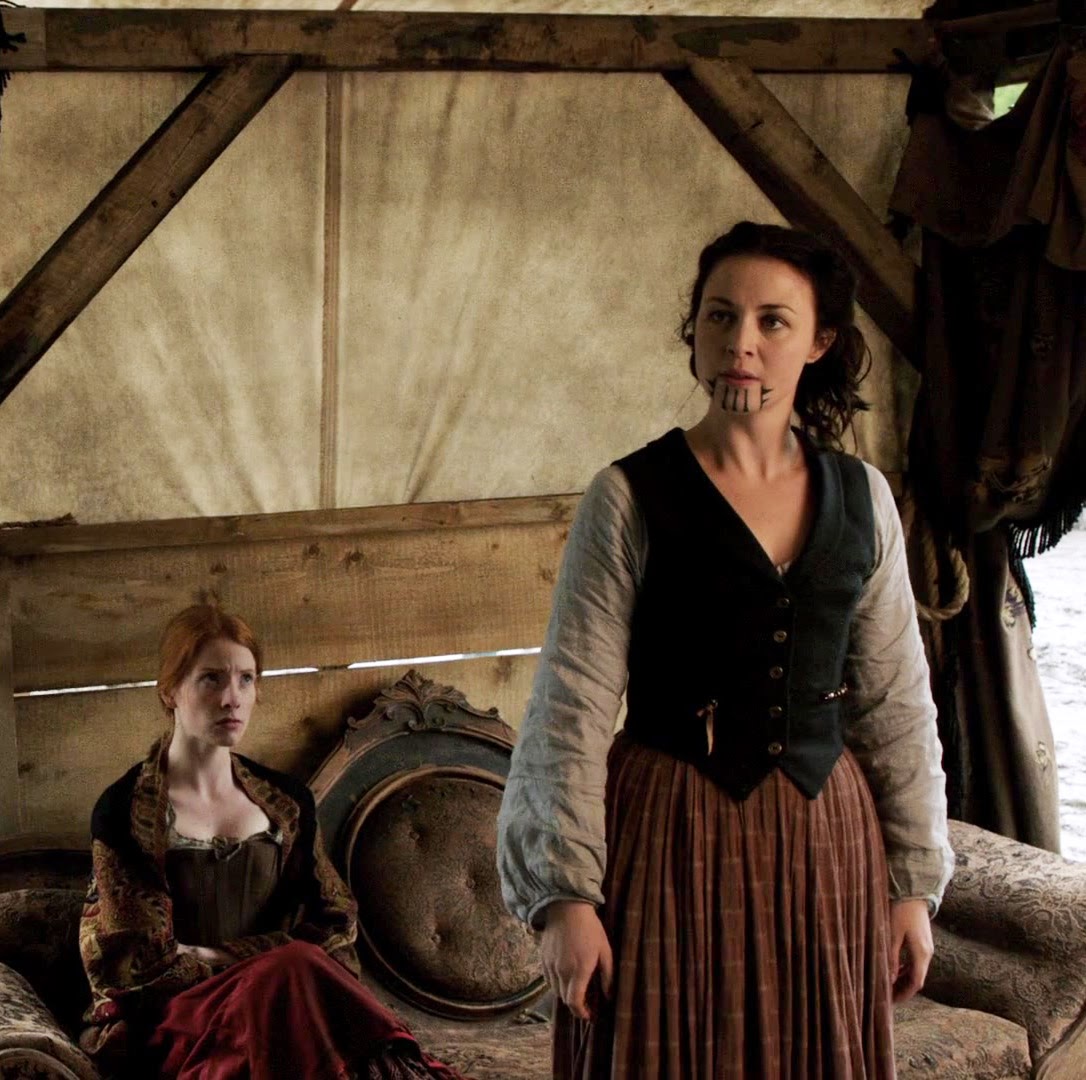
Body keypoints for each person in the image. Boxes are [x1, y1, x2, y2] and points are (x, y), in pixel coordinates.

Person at [496, 221, 954, 1079]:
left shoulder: (864, 499)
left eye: (773, 321)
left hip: (825, 843)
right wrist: (564, 897)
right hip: (670, 835)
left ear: (819, 342)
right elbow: (570, 705)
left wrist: (912, 888)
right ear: (695, 333)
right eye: (720, 316)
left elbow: (897, 703)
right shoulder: (629, 497)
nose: (741, 342)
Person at [79, 603, 467, 1080]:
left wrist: (226, 955)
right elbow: (138, 969)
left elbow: (335, 929)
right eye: (211, 679)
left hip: (284, 1003)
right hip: (179, 1023)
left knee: (291, 974)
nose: (233, 699)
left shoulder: (286, 803)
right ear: (169, 691)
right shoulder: (125, 810)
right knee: (291, 971)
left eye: (246, 679)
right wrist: (269, 963)